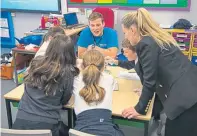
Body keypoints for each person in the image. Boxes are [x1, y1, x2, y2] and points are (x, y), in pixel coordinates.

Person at [121, 8, 197, 136]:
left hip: (186, 98)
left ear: (132, 30)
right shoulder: (155, 38)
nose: (126, 37)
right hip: (191, 88)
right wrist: (146, 90)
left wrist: (139, 108)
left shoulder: (146, 44)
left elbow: (149, 80)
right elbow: (155, 74)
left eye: (125, 33)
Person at [13, 35, 80, 136]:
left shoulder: (36, 62)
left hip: (20, 124)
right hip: (47, 127)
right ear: (71, 54)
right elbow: (64, 100)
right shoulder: (67, 73)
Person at [73, 50, 124, 136]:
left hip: (80, 132)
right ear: (103, 67)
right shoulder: (109, 79)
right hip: (107, 131)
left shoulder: (75, 79)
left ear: (82, 66)